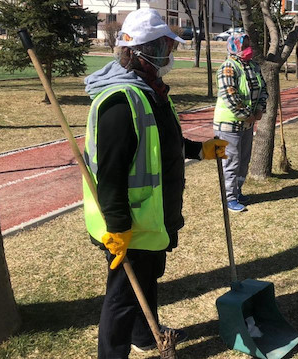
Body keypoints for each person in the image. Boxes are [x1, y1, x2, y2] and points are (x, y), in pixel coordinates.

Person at [82, 9, 228, 358]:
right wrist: (117, 227)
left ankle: (144, 335)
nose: (170, 57)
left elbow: (164, 143)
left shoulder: (154, 93)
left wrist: (202, 150)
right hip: (128, 224)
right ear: (142, 52)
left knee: (147, 281)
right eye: (164, 49)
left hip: (154, 218)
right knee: (121, 297)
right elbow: (110, 174)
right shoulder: (120, 102)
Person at [213, 33, 268, 212]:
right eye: (244, 45)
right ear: (234, 47)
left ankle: (237, 191)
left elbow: (263, 88)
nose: (248, 49)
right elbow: (230, 96)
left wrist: (260, 108)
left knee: (244, 160)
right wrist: (246, 115)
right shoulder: (228, 67)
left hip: (247, 124)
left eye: (248, 44)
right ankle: (228, 197)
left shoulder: (253, 66)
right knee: (231, 161)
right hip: (229, 124)